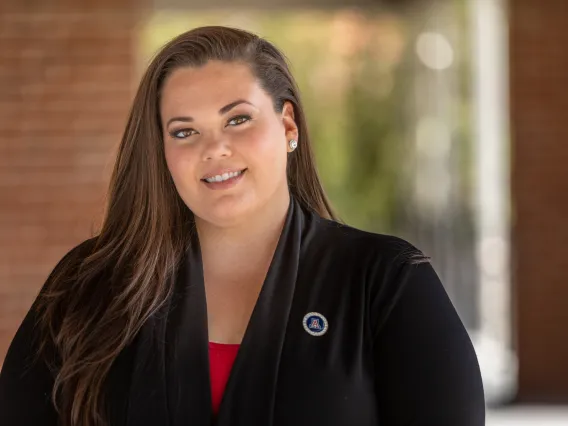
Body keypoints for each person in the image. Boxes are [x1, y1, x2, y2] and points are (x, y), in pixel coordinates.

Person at [0, 26, 485, 426]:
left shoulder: (386, 281)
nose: (214, 149)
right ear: (161, 153)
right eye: (185, 131)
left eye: (237, 120)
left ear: (288, 126)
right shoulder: (88, 284)